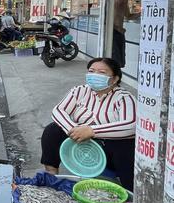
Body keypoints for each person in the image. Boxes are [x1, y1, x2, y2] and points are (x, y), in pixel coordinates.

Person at [41, 57, 137, 190]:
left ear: (115, 79)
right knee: (52, 130)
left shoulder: (124, 98)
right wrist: (74, 129)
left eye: (102, 72)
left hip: (108, 150)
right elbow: (58, 110)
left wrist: (92, 131)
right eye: (91, 71)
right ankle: (51, 174)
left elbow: (132, 125)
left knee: (126, 146)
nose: (95, 75)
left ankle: (131, 192)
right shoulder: (80, 91)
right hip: (79, 144)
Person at [113, 0, 139, 68]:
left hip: (120, 33)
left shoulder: (124, 4)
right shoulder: (113, 3)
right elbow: (105, 21)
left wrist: (142, 13)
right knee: (114, 58)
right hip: (112, 33)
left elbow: (129, 16)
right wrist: (116, 28)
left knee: (121, 59)